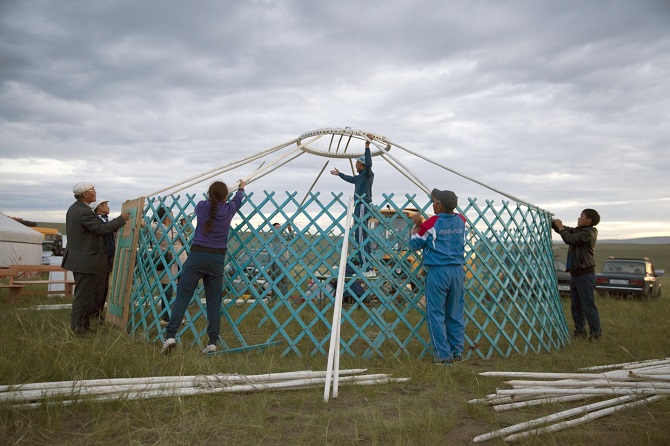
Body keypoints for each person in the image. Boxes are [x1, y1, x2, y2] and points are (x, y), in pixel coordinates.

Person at [162, 180, 246, 354]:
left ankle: (170, 336)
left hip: (197, 257)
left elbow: (211, 203)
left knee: (183, 296)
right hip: (217, 259)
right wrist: (241, 188)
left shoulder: (201, 206)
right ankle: (212, 342)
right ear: (225, 196)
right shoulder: (229, 209)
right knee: (214, 302)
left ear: (209, 194)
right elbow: (239, 199)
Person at [62, 182, 129, 336]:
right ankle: (78, 329)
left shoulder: (75, 208)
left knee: (87, 295)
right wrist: (121, 219)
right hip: (85, 260)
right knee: (83, 295)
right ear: (86, 194)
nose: (95, 192)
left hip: (81, 259)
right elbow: (99, 229)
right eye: (93, 190)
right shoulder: (84, 211)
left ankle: (84, 326)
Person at [409, 189, 466, 366]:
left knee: (436, 314)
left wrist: (417, 225)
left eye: (434, 202)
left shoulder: (432, 223)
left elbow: (414, 244)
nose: (432, 204)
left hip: (438, 272)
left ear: (439, 206)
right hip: (457, 271)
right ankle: (457, 352)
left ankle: (443, 356)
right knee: (455, 313)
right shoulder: (461, 220)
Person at [552, 209, 602, 341]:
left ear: (589, 220)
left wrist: (561, 227)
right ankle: (580, 332)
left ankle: (596, 335)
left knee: (588, 306)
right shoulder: (580, 230)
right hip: (575, 274)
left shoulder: (589, 233)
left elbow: (569, 239)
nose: (579, 218)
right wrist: (553, 222)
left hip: (585, 274)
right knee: (576, 306)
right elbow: (565, 230)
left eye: (582, 216)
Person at [330, 133, 375, 277]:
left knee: (360, 236)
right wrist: (339, 174)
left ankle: (367, 269)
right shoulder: (359, 177)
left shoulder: (367, 173)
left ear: (361, 164)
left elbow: (369, 163)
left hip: (362, 205)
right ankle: (368, 268)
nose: (355, 165)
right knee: (362, 236)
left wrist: (367, 146)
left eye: (357, 163)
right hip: (360, 205)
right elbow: (350, 179)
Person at [153, 206, 186, 324]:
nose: (173, 215)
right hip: (167, 262)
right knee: (167, 291)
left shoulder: (175, 227)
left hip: (181, 261)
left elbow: (184, 239)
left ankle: (177, 316)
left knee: (181, 290)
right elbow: (143, 224)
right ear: (166, 215)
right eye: (171, 213)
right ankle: (165, 317)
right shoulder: (156, 226)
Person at [269, 222, 294, 296]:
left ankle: (284, 297)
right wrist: (286, 225)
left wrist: (289, 228)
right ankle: (274, 298)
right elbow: (279, 232)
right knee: (275, 281)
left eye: (280, 227)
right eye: (277, 227)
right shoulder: (274, 237)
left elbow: (292, 237)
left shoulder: (283, 237)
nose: (279, 229)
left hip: (284, 261)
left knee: (285, 281)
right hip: (275, 262)